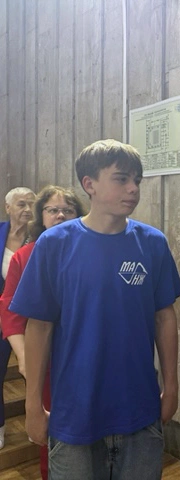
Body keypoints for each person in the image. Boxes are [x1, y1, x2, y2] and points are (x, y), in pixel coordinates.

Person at [10, 140, 180, 480]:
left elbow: (164, 317)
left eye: (137, 180)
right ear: (89, 184)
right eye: (121, 178)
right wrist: (33, 404)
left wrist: (172, 387)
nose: (133, 188)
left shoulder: (152, 243)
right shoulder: (54, 244)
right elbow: (39, 326)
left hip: (139, 410)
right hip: (74, 414)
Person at [0, 185, 85, 479]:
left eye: (68, 210)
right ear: (42, 215)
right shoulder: (25, 256)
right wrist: (25, 357)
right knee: (53, 434)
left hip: (87, 354)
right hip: (48, 358)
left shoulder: (92, 251)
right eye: (53, 210)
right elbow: (10, 311)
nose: (60, 215)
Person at [0, 186, 35, 450]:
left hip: (32, 319)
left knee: (34, 372)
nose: (28, 210)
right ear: (8, 207)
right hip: (3, 315)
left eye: (31, 204)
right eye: (21, 204)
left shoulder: (40, 237)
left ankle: (38, 420)